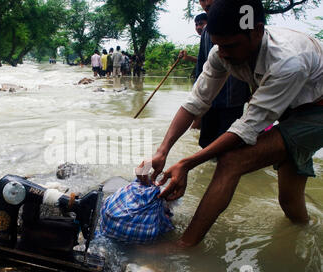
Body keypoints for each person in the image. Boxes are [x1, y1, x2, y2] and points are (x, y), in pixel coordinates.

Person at [137, 0, 323, 250]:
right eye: (218, 45)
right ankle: (308, 236)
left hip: (317, 112)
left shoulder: (287, 61)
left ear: (257, 31)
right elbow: (196, 102)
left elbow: (247, 127)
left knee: (232, 160)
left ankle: (184, 246)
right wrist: (163, 151)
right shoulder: (221, 52)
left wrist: (187, 163)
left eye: (231, 45)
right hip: (291, 110)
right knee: (289, 202)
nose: (223, 53)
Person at [192, 0, 251, 149]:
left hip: (233, 98)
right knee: (205, 142)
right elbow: (202, 65)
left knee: (227, 144)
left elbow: (252, 63)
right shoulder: (206, 32)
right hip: (210, 99)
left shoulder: (243, 23)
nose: (206, 2)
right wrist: (197, 109)